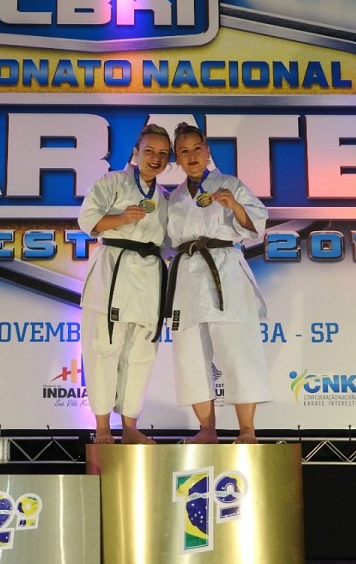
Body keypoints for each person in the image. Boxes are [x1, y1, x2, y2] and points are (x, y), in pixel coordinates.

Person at [165, 122, 271, 444]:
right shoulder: (173, 198)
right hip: (186, 275)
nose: (192, 155)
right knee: (190, 355)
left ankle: (247, 430)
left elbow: (257, 225)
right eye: (184, 151)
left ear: (207, 151)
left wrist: (234, 205)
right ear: (177, 159)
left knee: (238, 349)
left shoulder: (230, 184)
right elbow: (165, 242)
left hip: (225, 270)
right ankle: (207, 429)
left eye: (197, 148)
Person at [78, 123, 171, 444]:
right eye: (149, 151)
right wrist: (120, 218)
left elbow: (170, 242)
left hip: (149, 277)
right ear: (135, 152)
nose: (155, 158)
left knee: (142, 352)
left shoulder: (165, 198)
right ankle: (103, 427)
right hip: (112, 271)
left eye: (163, 154)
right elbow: (87, 220)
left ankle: (130, 426)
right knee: (103, 348)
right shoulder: (112, 182)